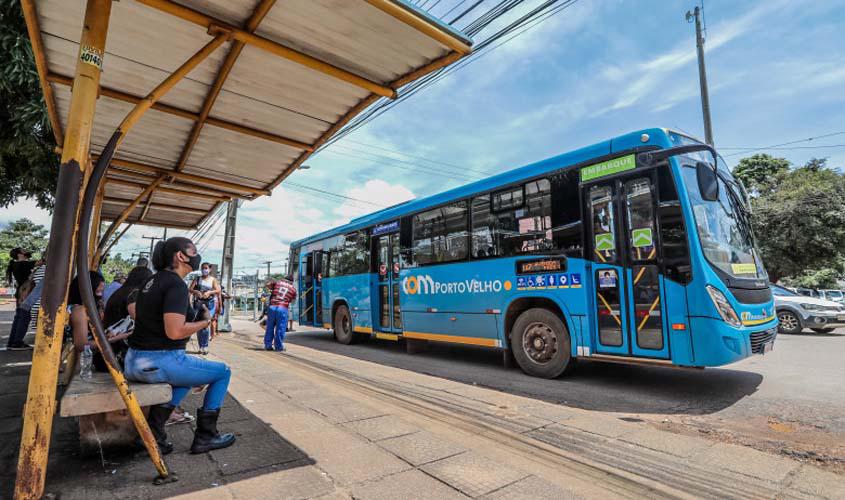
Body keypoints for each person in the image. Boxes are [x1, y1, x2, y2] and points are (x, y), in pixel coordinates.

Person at [124, 237, 235, 455]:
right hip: (159, 360)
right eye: (193, 252)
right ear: (181, 256)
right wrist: (204, 322)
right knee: (223, 372)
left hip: (134, 360)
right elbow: (174, 331)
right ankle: (206, 436)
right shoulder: (175, 284)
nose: (197, 256)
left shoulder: (151, 281)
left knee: (183, 382)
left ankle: (152, 435)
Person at [102, 266, 153, 369]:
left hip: (107, 353)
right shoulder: (134, 293)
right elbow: (140, 321)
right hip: (117, 355)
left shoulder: (120, 291)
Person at [190, 263, 221, 354]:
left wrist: (210, 292)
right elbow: (190, 289)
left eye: (206, 268)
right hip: (198, 304)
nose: (204, 270)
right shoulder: (197, 279)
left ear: (210, 269)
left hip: (209, 305)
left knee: (206, 324)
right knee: (200, 326)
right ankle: (201, 346)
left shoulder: (213, 280)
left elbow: (218, 290)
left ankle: (205, 346)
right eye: (203, 268)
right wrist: (195, 291)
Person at [264, 275, 297, 352]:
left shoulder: (278, 283)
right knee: (280, 328)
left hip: (272, 307)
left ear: (284, 279)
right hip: (282, 308)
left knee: (270, 327)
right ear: (292, 282)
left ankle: (268, 345)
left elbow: (268, 285)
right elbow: (293, 302)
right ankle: (278, 347)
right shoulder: (293, 289)